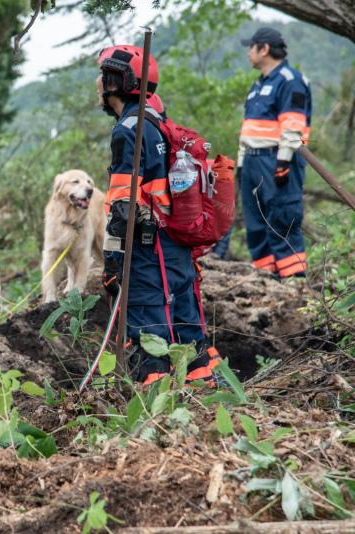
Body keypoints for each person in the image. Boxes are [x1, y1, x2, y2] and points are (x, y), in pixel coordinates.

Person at [98, 46, 216, 385]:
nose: (96, 83)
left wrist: (112, 262)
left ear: (114, 82)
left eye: (101, 76)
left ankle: (156, 416)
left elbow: (123, 206)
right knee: (188, 329)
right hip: (176, 248)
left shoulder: (127, 131)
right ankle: (207, 398)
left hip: (149, 255)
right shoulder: (157, 121)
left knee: (150, 335)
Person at [238, 27, 312, 279]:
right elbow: (248, 127)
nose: (248, 53)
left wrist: (283, 162)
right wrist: (241, 162)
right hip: (252, 162)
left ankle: (294, 286)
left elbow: (293, 125)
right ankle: (265, 285)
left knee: (283, 223)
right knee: (256, 226)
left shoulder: (291, 81)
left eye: (251, 47)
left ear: (264, 49)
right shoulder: (258, 84)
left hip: (276, 161)